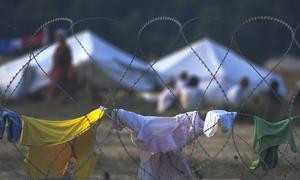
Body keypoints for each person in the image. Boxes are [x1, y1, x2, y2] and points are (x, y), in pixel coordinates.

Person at [47, 29, 76, 100]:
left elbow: (69, 61)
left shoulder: (66, 48)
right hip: (57, 70)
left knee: (58, 86)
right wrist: (52, 70)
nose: (57, 37)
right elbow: (55, 61)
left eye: (58, 36)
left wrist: (69, 71)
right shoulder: (58, 48)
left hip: (63, 70)